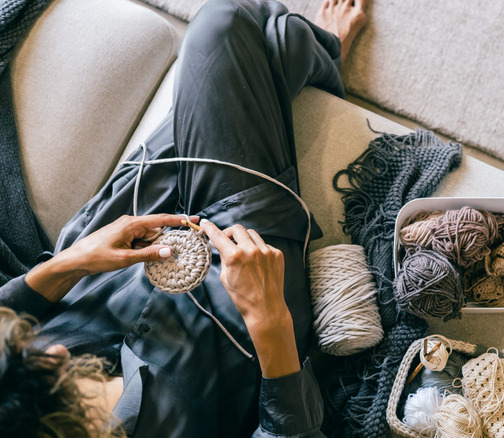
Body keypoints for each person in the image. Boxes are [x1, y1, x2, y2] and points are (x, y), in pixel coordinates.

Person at [0, 0, 367, 436]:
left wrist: (73, 260)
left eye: (26, 346)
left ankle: (317, 55)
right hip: (244, 308)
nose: (55, 351)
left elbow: (8, 309)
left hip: (117, 266)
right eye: (54, 380)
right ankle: (323, 55)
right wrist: (272, 325)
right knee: (223, 23)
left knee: (255, 52)